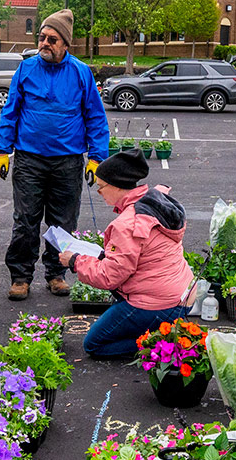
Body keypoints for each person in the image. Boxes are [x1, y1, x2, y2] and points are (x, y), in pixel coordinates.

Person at [0, 8, 110, 301]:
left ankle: (56, 274)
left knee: (63, 223)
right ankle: (20, 277)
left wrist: (96, 158)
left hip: (68, 161)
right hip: (29, 159)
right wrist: (3, 151)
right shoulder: (26, 69)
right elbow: (11, 111)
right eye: (42, 37)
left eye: (52, 39)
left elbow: (95, 117)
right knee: (25, 220)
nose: (45, 43)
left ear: (65, 45)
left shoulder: (80, 72)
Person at [57, 151, 194, 359]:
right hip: (182, 293)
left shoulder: (128, 223)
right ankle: (164, 330)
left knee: (94, 344)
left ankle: (162, 344)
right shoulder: (153, 202)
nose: (99, 192)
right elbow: (134, 258)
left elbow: (109, 276)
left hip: (160, 303)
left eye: (102, 186)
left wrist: (75, 261)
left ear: (118, 186)